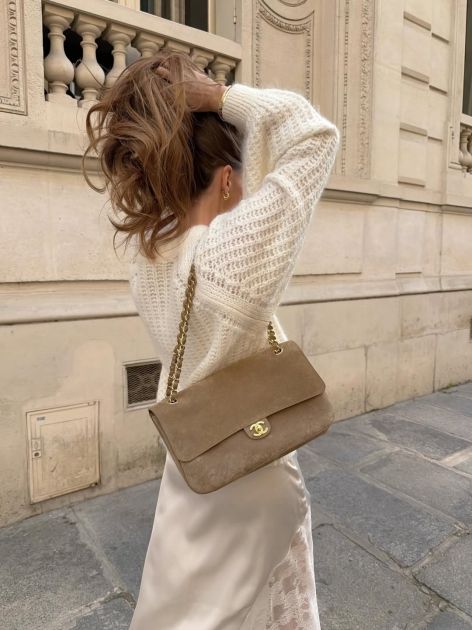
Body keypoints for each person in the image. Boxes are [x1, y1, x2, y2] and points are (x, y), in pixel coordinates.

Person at [83, 49, 340, 630]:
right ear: (226, 180)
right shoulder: (229, 257)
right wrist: (224, 98)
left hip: (196, 464)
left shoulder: (149, 253)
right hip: (256, 464)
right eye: (243, 177)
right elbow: (313, 135)